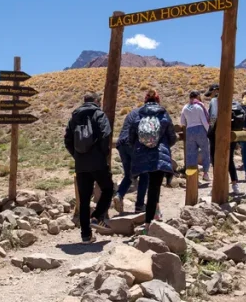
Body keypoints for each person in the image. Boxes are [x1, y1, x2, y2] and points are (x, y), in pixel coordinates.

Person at [122, 89, 176, 226]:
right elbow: (172, 137)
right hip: (159, 155)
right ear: (158, 100)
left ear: (145, 100)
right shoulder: (163, 114)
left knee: (144, 181)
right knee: (154, 187)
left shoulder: (138, 114)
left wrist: (139, 147)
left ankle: (147, 211)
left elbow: (131, 137)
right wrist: (164, 144)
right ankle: (149, 222)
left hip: (141, 154)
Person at [65, 93, 113, 244]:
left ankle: (86, 236)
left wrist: (77, 156)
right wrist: (102, 154)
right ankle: (97, 216)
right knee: (108, 188)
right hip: (98, 162)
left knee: (84, 199)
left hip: (81, 165)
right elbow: (106, 135)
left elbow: (67, 140)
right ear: (96, 101)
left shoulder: (74, 117)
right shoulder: (99, 114)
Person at [114, 105, 150, 214]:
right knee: (144, 175)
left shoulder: (132, 112)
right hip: (132, 144)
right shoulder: (147, 114)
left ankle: (119, 195)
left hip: (121, 144)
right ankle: (139, 205)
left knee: (129, 176)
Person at [208, 95, 244, 195]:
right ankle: (235, 184)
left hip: (217, 136)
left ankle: (216, 187)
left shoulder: (214, 101)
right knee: (230, 159)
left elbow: (213, 117)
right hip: (231, 134)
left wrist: (210, 130)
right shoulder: (234, 103)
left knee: (215, 160)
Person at [179, 90, 211, 184]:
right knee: (205, 151)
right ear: (197, 97)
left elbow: (182, 122)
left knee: (191, 154)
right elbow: (204, 120)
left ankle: (192, 177)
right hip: (200, 129)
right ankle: (205, 173)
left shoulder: (185, 107)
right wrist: (208, 131)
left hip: (189, 130)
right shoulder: (199, 106)